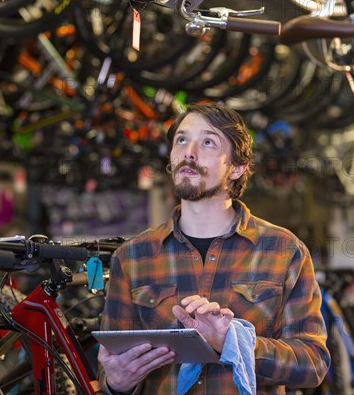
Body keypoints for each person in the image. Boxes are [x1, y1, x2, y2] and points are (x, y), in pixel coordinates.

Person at [97, 103, 330, 394]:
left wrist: (234, 343)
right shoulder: (132, 257)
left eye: (208, 142)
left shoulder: (284, 251)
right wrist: (115, 384)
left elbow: (312, 364)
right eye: (181, 140)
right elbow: (111, 369)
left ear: (237, 167)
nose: (189, 152)